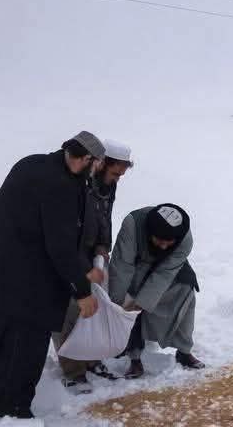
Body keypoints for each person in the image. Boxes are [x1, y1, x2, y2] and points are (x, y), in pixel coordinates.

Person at [0, 132, 106, 420]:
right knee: (23, 350)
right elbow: (59, 246)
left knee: (2, 345)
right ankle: (14, 413)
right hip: (23, 284)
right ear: (86, 159)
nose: (95, 171)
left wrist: (82, 266)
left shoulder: (32, 163)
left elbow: (38, 225)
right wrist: (83, 291)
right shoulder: (60, 186)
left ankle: (4, 406)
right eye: (96, 164)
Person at [50, 138, 135, 392]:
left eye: (121, 175)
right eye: (115, 173)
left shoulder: (109, 185)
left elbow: (104, 216)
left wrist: (103, 246)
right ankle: (72, 371)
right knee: (68, 310)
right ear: (101, 163)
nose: (117, 179)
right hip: (71, 253)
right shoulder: (80, 183)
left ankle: (91, 359)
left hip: (92, 253)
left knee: (92, 308)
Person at [109, 203, 202, 378]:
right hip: (136, 265)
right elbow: (122, 266)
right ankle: (134, 356)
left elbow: (165, 273)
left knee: (186, 290)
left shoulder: (184, 238)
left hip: (169, 268)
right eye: (159, 240)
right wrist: (117, 303)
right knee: (129, 304)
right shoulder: (132, 225)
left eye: (169, 242)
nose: (164, 246)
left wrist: (143, 302)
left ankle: (184, 351)